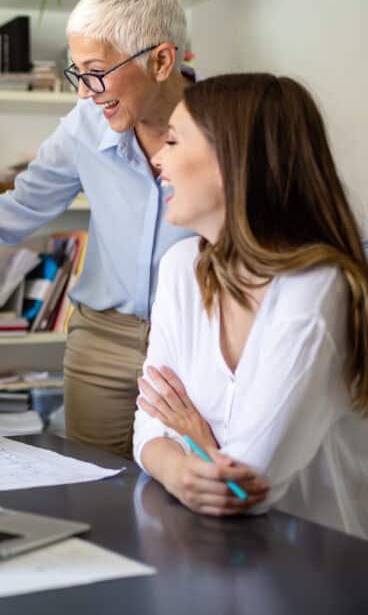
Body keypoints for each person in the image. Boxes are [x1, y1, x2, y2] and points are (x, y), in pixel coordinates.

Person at [0, 0, 196, 458]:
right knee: (96, 478)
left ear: (160, 61)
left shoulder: (231, 124)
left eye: (96, 71)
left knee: (186, 483)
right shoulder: (84, 126)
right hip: (103, 340)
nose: (85, 93)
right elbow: (20, 207)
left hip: (195, 341)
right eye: (78, 73)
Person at [133, 74, 368, 538]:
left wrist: (193, 436)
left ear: (230, 162)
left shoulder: (317, 287)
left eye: (174, 141)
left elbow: (250, 485)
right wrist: (177, 472)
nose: (157, 158)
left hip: (321, 561)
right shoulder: (181, 266)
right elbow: (148, 426)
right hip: (216, 547)